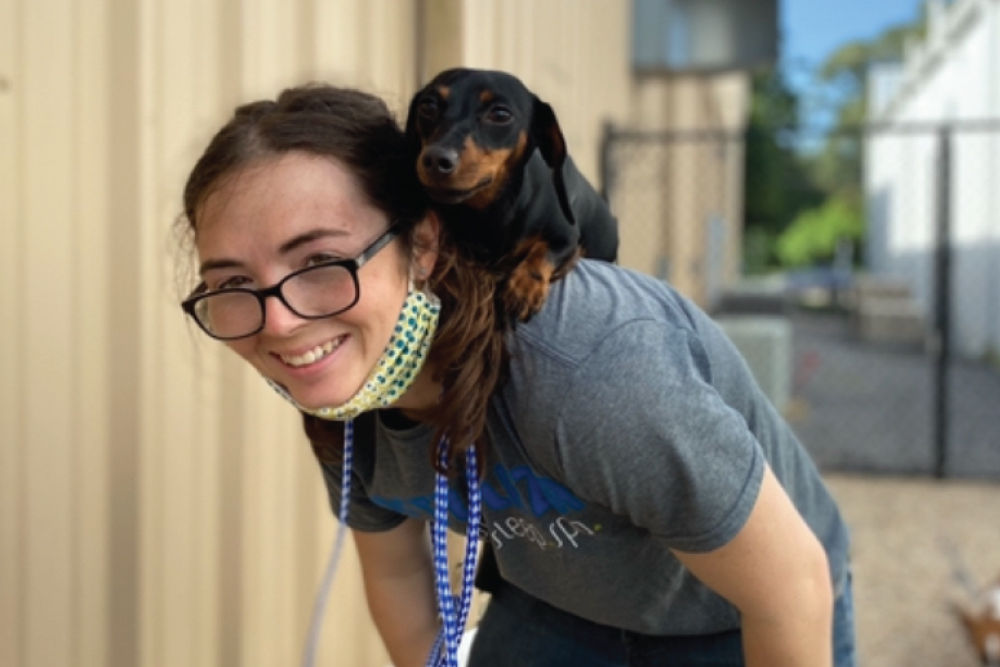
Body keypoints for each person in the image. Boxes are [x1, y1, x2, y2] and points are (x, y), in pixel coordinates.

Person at [179, 83, 856, 667]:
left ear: (421, 243)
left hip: (731, 616)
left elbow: (792, 588)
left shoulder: (589, 368)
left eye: (320, 260)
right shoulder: (348, 385)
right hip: (554, 605)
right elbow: (397, 573)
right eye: (234, 282)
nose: (279, 323)